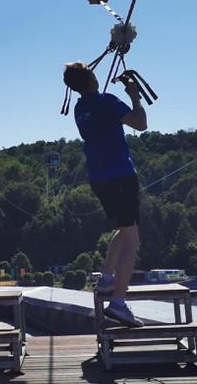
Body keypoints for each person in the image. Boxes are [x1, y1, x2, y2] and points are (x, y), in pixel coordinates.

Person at [63, 62, 148, 327]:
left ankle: (107, 278)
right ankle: (119, 304)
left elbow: (95, 102)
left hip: (99, 178)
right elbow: (141, 124)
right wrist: (134, 94)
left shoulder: (80, 108)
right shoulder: (107, 102)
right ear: (91, 79)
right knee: (132, 238)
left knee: (123, 229)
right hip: (121, 174)